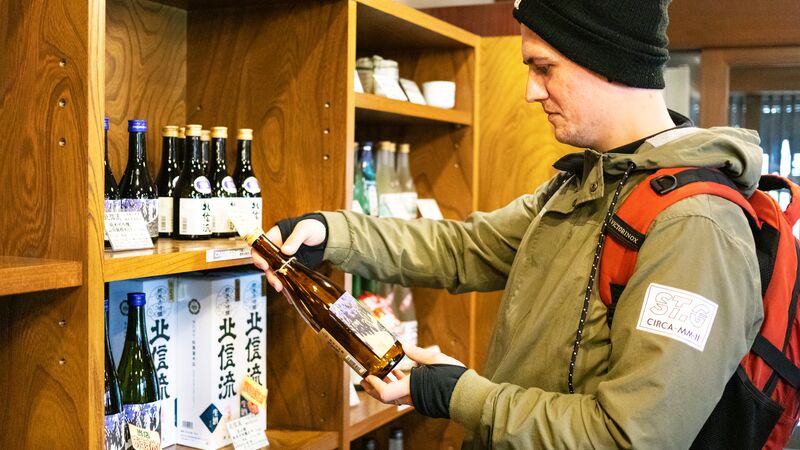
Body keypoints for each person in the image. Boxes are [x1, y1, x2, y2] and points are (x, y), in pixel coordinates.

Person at [253, 0, 765, 448]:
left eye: (544, 67)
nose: (529, 91)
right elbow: (466, 247)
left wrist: (458, 394)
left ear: (607, 59)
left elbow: (631, 436)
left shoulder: (696, 226)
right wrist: (331, 232)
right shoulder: (589, 181)